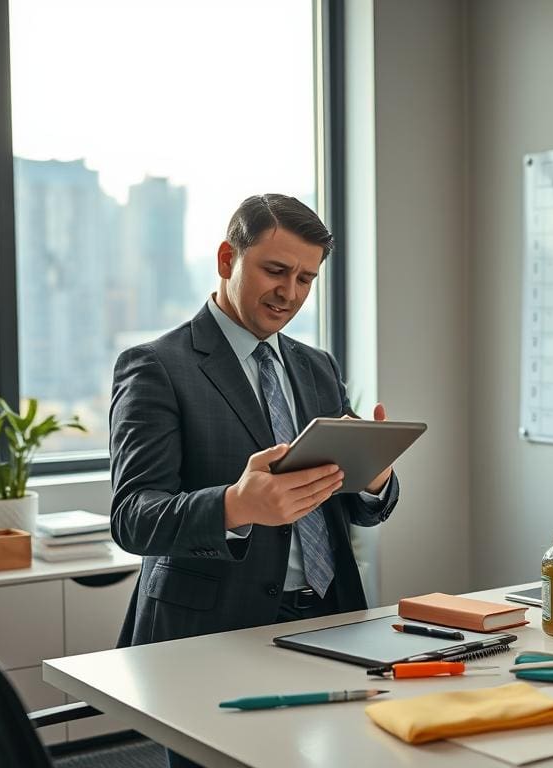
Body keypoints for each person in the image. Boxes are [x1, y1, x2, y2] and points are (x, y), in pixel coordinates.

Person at [109, 194, 399, 767]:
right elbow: (133, 517)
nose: (289, 292)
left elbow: (349, 507)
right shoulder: (156, 365)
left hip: (328, 617)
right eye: (275, 270)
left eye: (305, 279)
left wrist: (373, 479)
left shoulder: (318, 366)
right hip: (210, 631)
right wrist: (236, 506)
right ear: (226, 258)